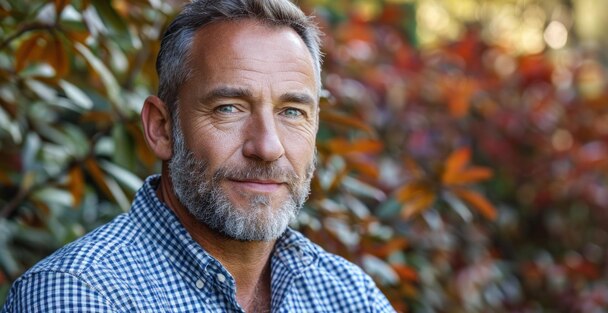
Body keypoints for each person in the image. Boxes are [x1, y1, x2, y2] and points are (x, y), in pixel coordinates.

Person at [1, 0, 396, 312]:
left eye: (291, 111)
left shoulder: (349, 296)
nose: (267, 146)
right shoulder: (80, 294)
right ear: (161, 128)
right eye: (229, 107)